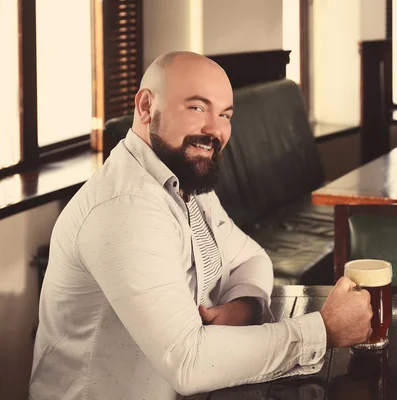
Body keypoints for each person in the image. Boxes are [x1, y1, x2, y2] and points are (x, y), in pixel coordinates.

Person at [29, 51, 373, 399]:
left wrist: (245, 305)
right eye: (197, 107)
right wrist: (324, 331)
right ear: (146, 106)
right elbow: (189, 362)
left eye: (225, 114)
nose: (215, 129)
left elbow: (251, 259)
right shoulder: (125, 208)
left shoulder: (182, 178)